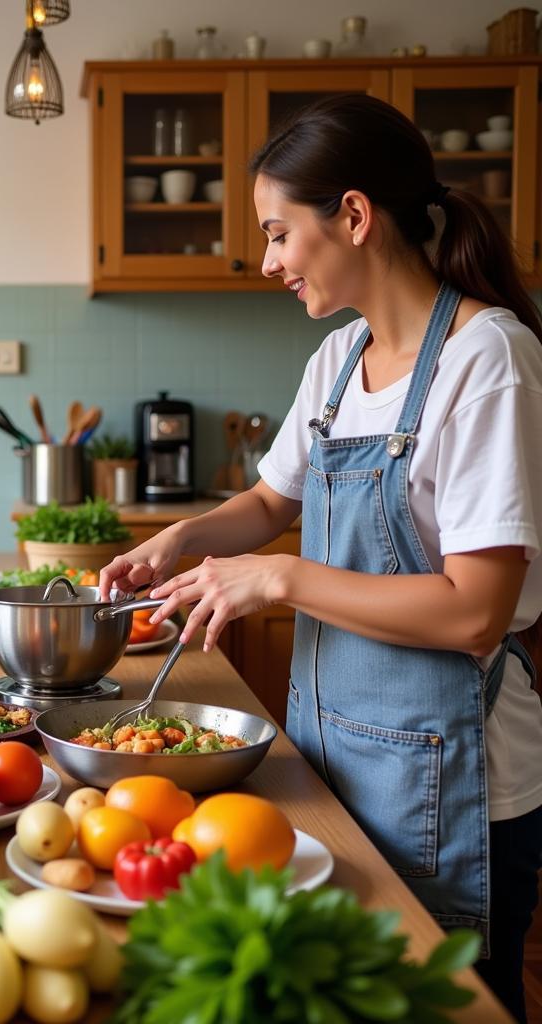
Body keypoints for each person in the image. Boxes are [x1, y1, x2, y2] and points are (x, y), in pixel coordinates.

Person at [98, 94, 542, 1022]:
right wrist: (179, 541)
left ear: (352, 214)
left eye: (276, 232)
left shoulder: (487, 360)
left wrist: (281, 576)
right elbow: (269, 502)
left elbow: (475, 612)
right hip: (332, 757)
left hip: (452, 781)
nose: (265, 261)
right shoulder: (340, 359)